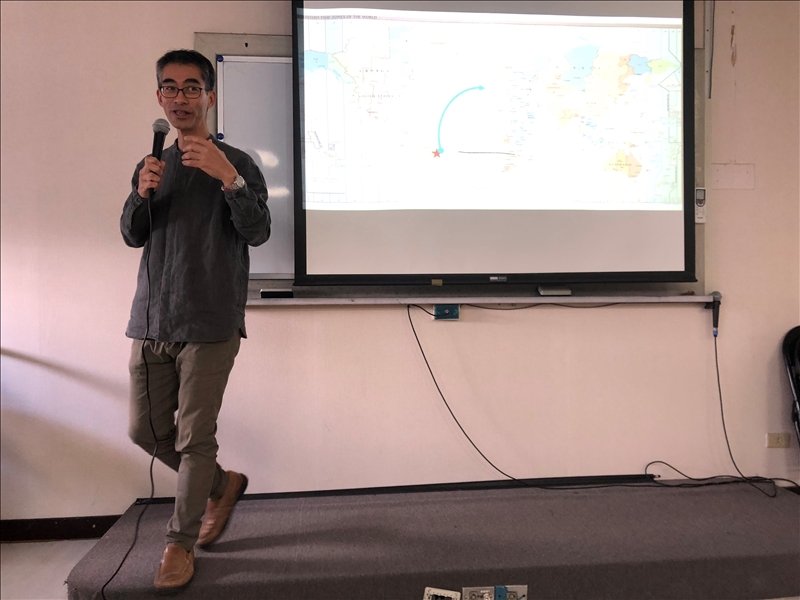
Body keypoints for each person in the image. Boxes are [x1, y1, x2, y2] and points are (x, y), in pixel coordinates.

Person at [120, 49, 270, 591]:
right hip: (152, 318)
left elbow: (258, 232)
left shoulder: (239, 162)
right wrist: (140, 193)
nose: (180, 97)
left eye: (191, 87)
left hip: (210, 320)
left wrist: (229, 178)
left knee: (193, 438)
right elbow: (132, 234)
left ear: (210, 95)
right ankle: (222, 485)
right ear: (159, 96)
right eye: (170, 87)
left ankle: (177, 545)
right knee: (144, 431)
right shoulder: (151, 164)